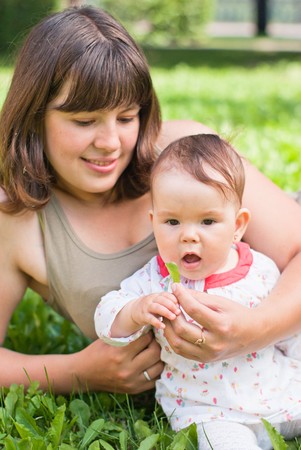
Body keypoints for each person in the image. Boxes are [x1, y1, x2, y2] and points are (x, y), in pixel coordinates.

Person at [1, 5, 301, 395]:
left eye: (126, 118)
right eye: (84, 121)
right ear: (34, 116)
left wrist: (253, 330)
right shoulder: (17, 217)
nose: (110, 143)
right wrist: (78, 372)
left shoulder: (183, 155)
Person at [95, 134, 301, 450]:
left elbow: (287, 329)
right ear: (154, 223)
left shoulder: (259, 270)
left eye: (207, 221)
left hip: (282, 394)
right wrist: (135, 310)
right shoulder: (155, 281)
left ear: (238, 225)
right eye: (173, 221)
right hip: (209, 411)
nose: (189, 236)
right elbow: (107, 319)